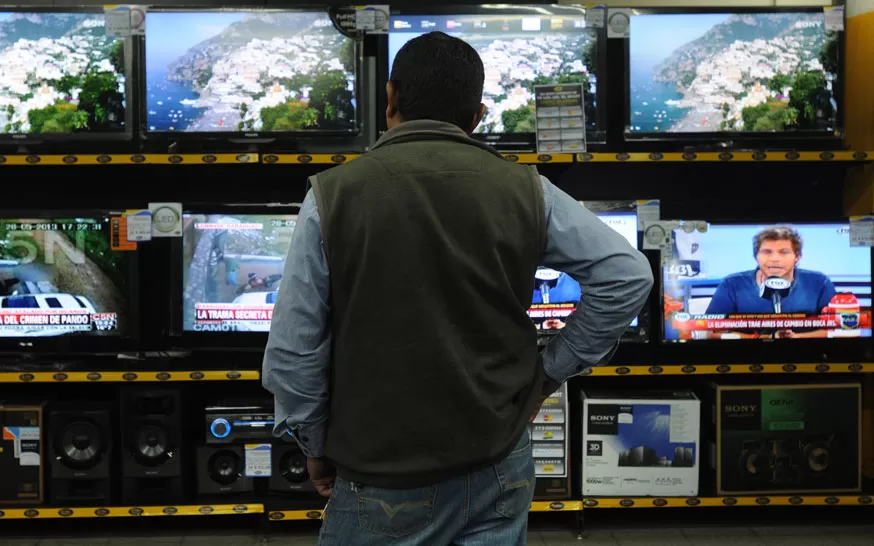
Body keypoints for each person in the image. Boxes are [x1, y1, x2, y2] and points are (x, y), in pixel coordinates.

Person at [262, 32, 653, 545]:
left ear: (391, 99)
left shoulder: (332, 195)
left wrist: (312, 444)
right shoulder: (529, 189)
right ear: (479, 115)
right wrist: (548, 373)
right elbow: (628, 275)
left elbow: (294, 349)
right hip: (498, 460)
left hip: (381, 469)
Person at [704, 226, 836, 339]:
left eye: (784, 252)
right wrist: (762, 338)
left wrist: (797, 338)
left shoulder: (819, 283)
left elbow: (837, 328)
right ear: (756, 257)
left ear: (797, 257)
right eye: (767, 252)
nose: (774, 259)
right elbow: (712, 332)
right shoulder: (732, 284)